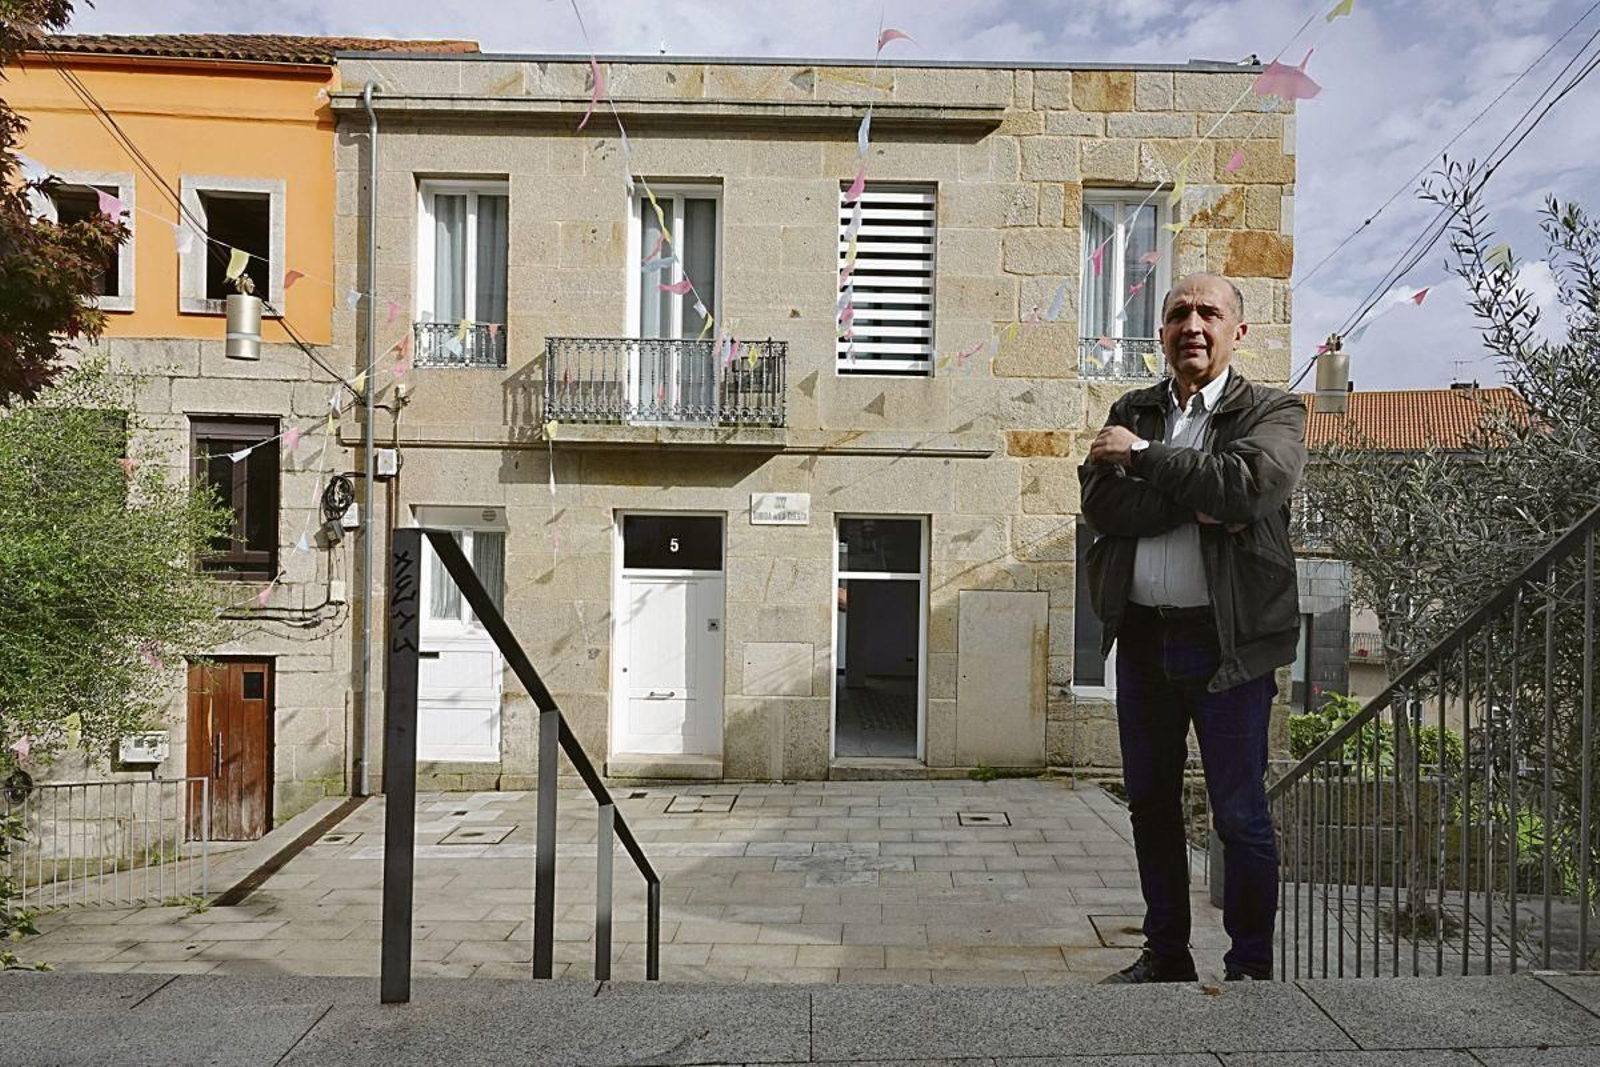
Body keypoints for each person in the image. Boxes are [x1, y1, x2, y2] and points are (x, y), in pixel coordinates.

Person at [1077, 272, 1306, 983]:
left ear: (1238, 330)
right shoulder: (1133, 405)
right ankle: (1166, 953)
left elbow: (1250, 487)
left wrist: (1146, 463)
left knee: (1239, 814)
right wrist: (1199, 493)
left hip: (1228, 645)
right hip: (1143, 639)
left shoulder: (1276, 410)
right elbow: (1102, 506)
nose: (1193, 325)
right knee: (1149, 802)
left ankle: (1250, 967)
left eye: (1210, 312)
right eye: (1179, 313)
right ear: (1162, 333)